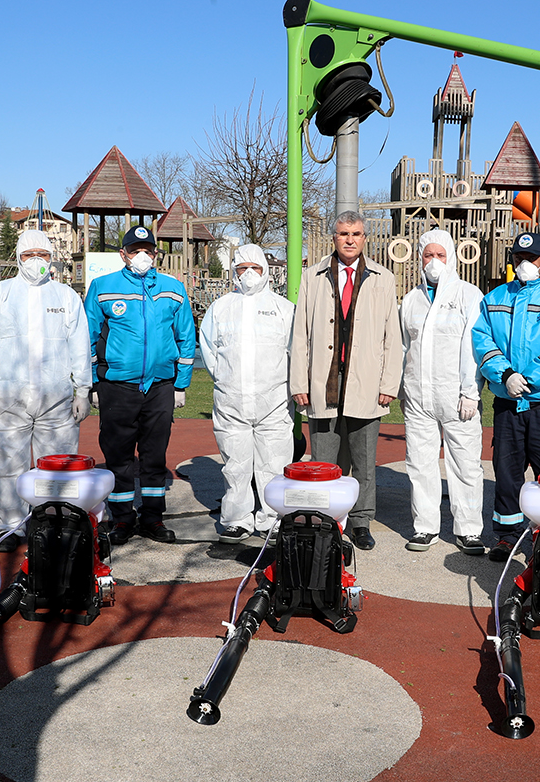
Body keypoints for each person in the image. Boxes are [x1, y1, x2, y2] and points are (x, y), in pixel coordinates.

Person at [289, 210, 403, 550]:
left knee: (364, 458)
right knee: (324, 458)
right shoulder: (313, 276)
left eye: (355, 234)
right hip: (323, 382)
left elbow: (392, 337)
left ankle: (361, 521)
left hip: (365, 380)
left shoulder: (383, 278)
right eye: (343, 234)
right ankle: (327, 519)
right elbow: (300, 333)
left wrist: (388, 384)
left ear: (364, 238)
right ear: (334, 238)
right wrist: (299, 381)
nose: (349, 240)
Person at [0, 230, 92, 546]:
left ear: (52, 257)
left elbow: (80, 344)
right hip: (8, 396)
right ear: (18, 258)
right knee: (7, 466)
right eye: (30, 255)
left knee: (56, 465)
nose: (37, 261)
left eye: (43, 254)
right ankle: (11, 524)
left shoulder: (66, 296)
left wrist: (83, 389)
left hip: (56, 397)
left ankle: (51, 520)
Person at [472, 230, 540, 561]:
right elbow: (482, 340)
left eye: (531, 259)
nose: (524, 264)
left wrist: (528, 379)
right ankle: (507, 535)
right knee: (507, 472)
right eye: (518, 259)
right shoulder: (495, 298)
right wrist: (505, 375)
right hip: (507, 402)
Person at [85, 225, 197, 545]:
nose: (142, 256)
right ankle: (122, 518)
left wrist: (181, 385)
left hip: (160, 386)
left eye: (148, 250)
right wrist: (94, 383)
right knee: (118, 455)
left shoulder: (173, 288)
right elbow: (88, 338)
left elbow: (186, 337)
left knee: (154, 455)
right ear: (123, 254)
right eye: (135, 250)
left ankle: (152, 518)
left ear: (156, 254)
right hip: (117, 386)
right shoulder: (103, 287)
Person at [199, 244, 295, 543]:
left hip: (275, 401)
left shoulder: (282, 308)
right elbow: (210, 351)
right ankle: (237, 519)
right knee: (235, 465)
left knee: (274, 464)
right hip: (231, 400)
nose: (249, 274)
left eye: (255, 268)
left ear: (266, 270)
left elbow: (294, 351)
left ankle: (274, 518)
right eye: (242, 269)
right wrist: (228, 382)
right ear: (234, 272)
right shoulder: (220, 307)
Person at [399, 228, 485, 555]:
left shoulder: (468, 295)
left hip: (457, 397)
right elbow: (404, 348)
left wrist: (470, 390)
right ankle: (425, 527)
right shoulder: (411, 299)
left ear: (450, 258)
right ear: (419, 259)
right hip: (419, 398)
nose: (433, 262)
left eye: (440, 255)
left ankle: (469, 530)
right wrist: (401, 389)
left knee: (464, 464)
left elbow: (472, 347)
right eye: (427, 255)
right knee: (419, 464)